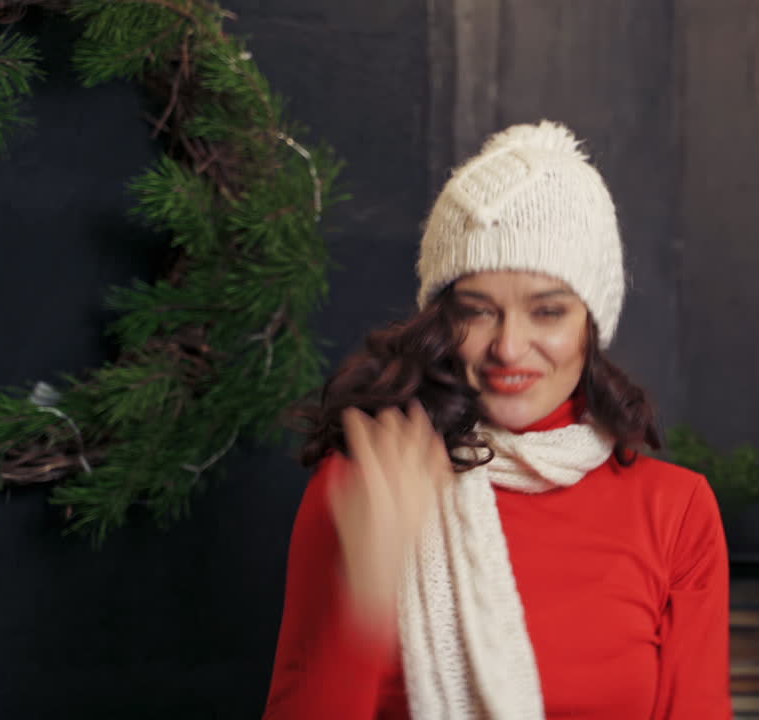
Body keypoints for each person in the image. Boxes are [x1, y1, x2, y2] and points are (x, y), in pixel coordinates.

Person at [263, 121, 731, 719]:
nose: (509, 348)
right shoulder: (369, 482)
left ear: (592, 322)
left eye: (547, 312)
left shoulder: (675, 510)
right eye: (477, 312)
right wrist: (366, 602)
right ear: (439, 322)